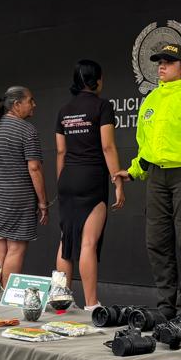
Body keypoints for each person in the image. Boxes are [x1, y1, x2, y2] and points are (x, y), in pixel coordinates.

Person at [113, 43, 181, 316]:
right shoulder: (150, 101)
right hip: (156, 177)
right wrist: (135, 170)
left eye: (169, 61)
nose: (161, 66)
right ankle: (166, 306)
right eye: (159, 61)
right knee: (157, 240)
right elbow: (146, 145)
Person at [54, 60, 125, 310]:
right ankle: (92, 304)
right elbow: (107, 146)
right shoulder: (102, 106)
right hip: (91, 178)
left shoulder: (64, 110)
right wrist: (117, 180)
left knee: (66, 241)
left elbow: (61, 152)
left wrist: (62, 181)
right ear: (97, 80)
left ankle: (60, 298)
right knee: (87, 243)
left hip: (68, 178)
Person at [0, 86, 48, 286]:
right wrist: (43, 203)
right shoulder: (27, 130)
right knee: (15, 249)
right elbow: (34, 168)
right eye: (30, 100)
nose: (34, 104)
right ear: (17, 104)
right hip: (19, 200)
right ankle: (6, 300)